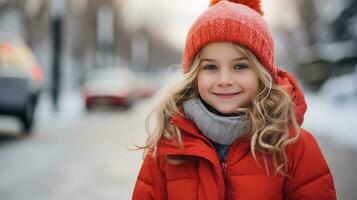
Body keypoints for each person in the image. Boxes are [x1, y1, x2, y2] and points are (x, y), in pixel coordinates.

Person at [132, 0, 336, 199]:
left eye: (240, 66)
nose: (224, 80)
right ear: (195, 74)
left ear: (261, 73)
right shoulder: (167, 147)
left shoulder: (294, 146)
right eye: (210, 67)